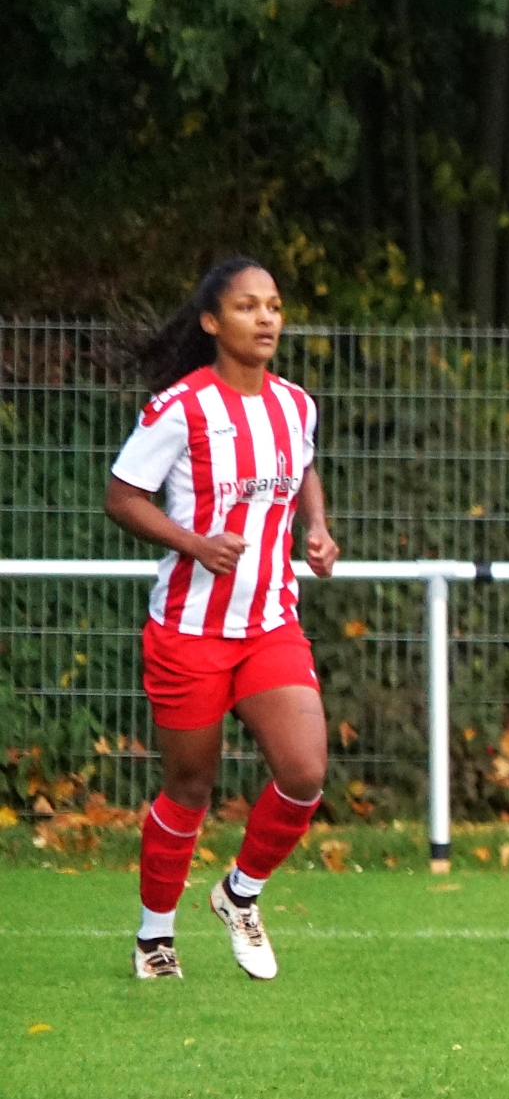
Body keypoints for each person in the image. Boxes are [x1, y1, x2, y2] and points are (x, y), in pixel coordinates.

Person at [105, 258, 339, 982]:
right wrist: (194, 544)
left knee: (305, 770)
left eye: (274, 306)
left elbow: (303, 468)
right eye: (247, 306)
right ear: (212, 322)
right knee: (190, 788)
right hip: (189, 630)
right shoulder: (180, 407)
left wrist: (317, 529)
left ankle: (240, 893)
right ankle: (155, 937)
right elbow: (122, 496)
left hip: (270, 622)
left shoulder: (295, 404)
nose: (266, 318)